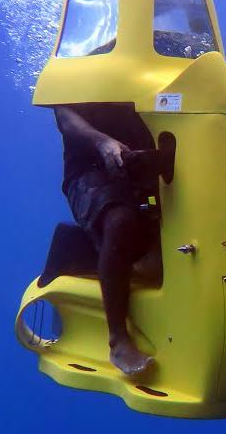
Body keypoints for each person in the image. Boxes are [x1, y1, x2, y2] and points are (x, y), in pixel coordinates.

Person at [54, 103, 158, 376]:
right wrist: (102, 143)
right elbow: (66, 119)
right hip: (88, 172)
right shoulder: (75, 65)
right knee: (120, 220)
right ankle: (118, 339)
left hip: (140, 163)